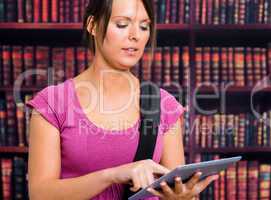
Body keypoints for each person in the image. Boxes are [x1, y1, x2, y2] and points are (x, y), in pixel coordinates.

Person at [26, 0, 219, 199]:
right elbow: (40, 194)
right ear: (92, 25)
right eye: (122, 24)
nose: (135, 35)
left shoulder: (164, 105)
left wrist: (185, 197)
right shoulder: (52, 103)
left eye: (144, 26)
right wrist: (113, 175)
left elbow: (175, 188)